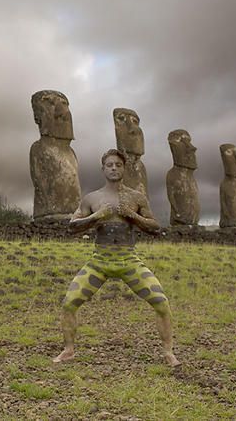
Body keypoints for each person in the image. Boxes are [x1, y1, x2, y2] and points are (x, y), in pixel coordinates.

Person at [53, 149, 180, 366]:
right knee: (69, 303)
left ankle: (168, 352)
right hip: (99, 261)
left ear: (123, 168)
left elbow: (155, 227)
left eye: (118, 165)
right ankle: (68, 350)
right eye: (109, 165)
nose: (113, 168)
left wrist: (132, 215)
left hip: (128, 260)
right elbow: (71, 227)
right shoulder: (92, 198)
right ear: (103, 169)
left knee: (161, 302)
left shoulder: (136, 197)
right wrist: (96, 217)